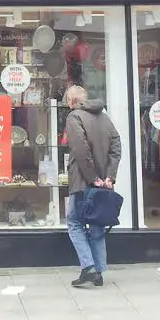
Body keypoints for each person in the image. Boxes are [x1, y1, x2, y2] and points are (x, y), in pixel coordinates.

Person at [63, 84, 122, 288]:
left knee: (74, 222)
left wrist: (92, 177)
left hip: (83, 182)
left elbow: (80, 149)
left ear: (71, 101)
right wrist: (109, 177)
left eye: (67, 101)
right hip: (103, 183)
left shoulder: (74, 117)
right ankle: (98, 272)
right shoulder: (103, 116)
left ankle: (88, 268)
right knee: (97, 225)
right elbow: (116, 145)